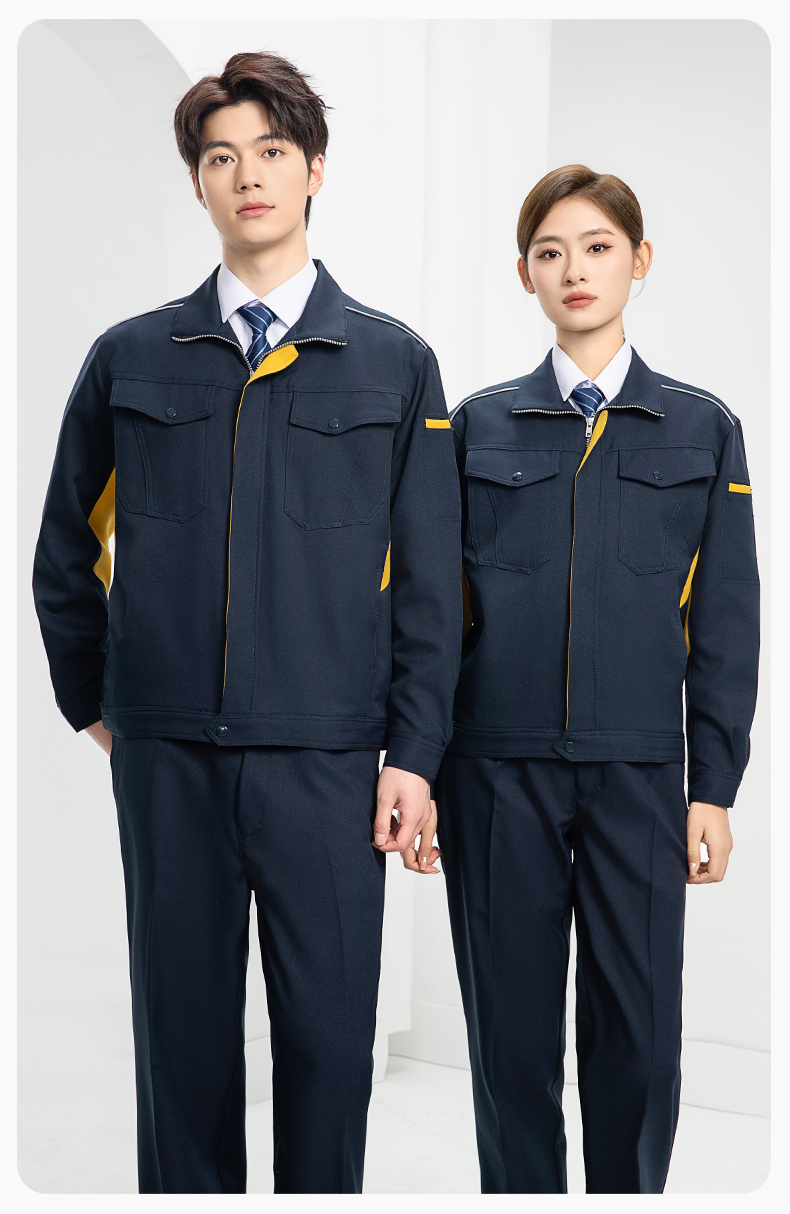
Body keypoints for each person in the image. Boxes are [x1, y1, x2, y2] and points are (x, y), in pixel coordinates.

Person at [33, 51, 461, 1195]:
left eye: (271, 151)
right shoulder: (131, 357)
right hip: (169, 758)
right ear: (198, 184)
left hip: (329, 762)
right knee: (181, 1045)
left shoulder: (392, 363)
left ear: (314, 168)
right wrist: (100, 702)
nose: (248, 176)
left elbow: (432, 581)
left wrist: (414, 753)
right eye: (221, 157)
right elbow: (64, 548)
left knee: (329, 1042)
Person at [429, 165, 759, 1193]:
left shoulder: (702, 427)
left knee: (640, 1040)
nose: (575, 269)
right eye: (550, 251)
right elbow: (431, 616)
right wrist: (419, 764)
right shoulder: (474, 426)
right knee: (509, 1042)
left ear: (639, 260)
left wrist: (713, 786)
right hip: (495, 774)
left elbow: (727, 624)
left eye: (598, 246)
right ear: (524, 273)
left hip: (639, 778)